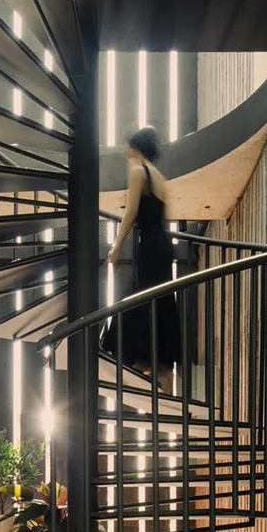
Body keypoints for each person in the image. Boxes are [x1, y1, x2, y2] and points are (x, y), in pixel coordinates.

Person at [102, 126, 182, 393]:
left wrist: (116, 246)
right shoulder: (159, 176)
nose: (125, 152)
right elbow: (161, 218)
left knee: (141, 300)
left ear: (135, 148)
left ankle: (141, 366)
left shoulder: (138, 171)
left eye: (128, 147)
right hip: (162, 246)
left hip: (148, 246)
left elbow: (131, 213)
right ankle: (161, 372)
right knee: (158, 303)